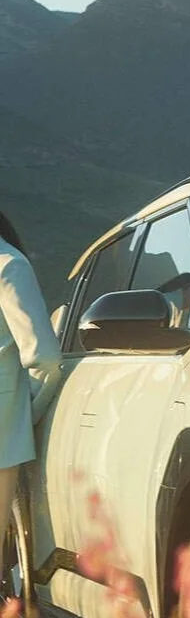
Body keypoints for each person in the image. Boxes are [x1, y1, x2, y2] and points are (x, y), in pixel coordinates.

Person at [0, 211, 61, 529]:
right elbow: (45, 359)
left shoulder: (9, 267)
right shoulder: (9, 266)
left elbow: (42, 357)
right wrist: (27, 414)